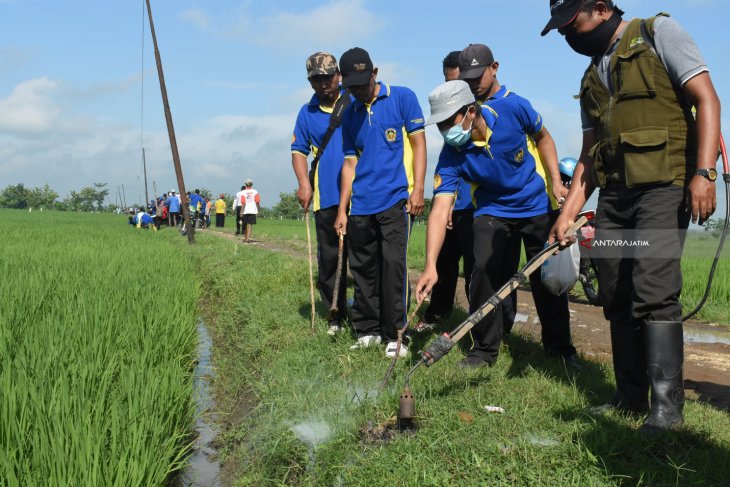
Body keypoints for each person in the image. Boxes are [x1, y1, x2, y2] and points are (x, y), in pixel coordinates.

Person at [543, 0, 720, 431]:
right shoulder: (590, 77)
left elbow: (707, 98)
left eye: (573, 25)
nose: (570, 37)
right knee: (616, 290)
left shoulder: (659, 33)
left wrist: (705, 173)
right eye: (562, 31)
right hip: (616, 198)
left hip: (662, 187)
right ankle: (628, 396)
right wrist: (567, 213)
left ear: (601, 9)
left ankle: (667, 411)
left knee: (653, 289)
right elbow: (588, 156)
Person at [453, 43, 577, 367]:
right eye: (467, 78)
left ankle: (560, 350)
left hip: (534, 204)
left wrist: (555, 179)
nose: (474, 83)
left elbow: (544, 138)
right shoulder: (465, 113)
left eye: (478, 75)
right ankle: (484, 349)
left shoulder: (517, 105)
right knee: (483, 272)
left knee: (546, 279)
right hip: (491, 208)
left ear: (494, 67)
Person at [334, 47, 427, 358]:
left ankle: (396, 334)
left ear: (375, 73)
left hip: (394, 200)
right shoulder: (350, 113)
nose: (358, 91)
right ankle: (367, 330)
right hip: (361, 205)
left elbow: (419, 143)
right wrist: (342, 209)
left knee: (393, 267)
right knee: (363, 270)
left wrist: (418, 189)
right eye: (352, 87)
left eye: (362, 83)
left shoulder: (402, 97)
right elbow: (349, 164)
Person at [417, 52, 476, 332]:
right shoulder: (451, 144)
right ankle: (438, 314)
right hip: (454, 204)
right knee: (444, 259)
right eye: (446, 80)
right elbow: (440, 204)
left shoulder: (487, 118)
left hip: (487, 210)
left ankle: (491, 328)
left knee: (485, 269)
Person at [291, 51, 349, 334]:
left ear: (338, 75)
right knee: (329, 261)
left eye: (327, 77)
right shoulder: (307, 112)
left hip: (360, 196)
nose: (323, 84)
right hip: (326, 196)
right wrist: (304, 183)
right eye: (316, 80)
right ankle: (335, 313)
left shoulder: (354, 100)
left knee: (363, 259)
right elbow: (298, 151)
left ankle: (367, 316)